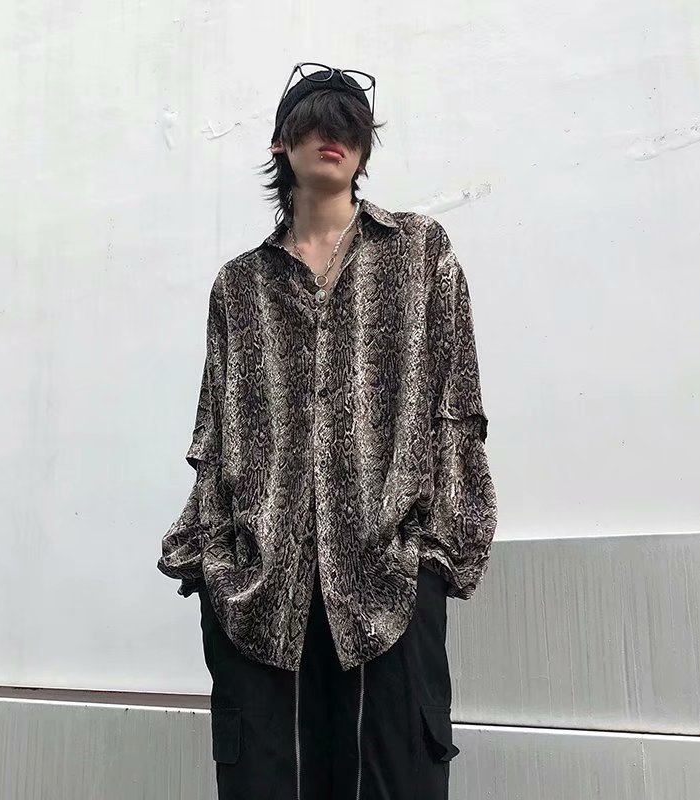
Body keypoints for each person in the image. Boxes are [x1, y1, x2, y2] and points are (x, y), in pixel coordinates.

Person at [157, 62, 498, 800]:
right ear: (282, 145)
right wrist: (214, 563)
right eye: (314, 123)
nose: (331, 137)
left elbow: (456, 407)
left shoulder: (420, 254)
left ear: (364, 147)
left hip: (389, 584)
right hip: (261, 592)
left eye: (348, 125)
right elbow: (214, 436)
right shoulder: (239, 286)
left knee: (398, 783)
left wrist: (435, 556)